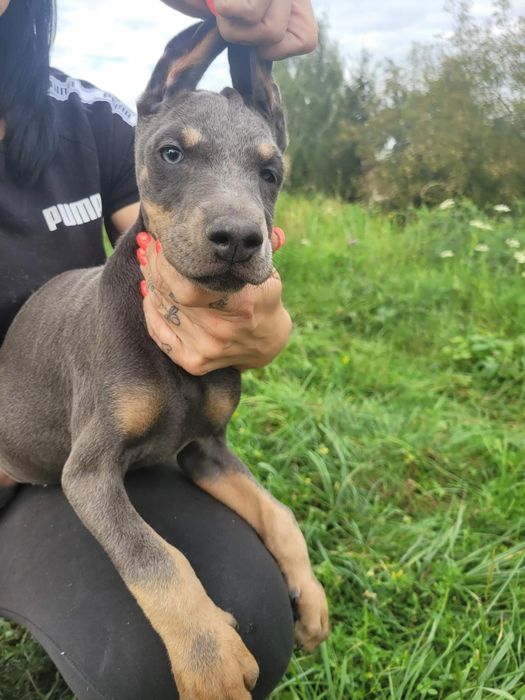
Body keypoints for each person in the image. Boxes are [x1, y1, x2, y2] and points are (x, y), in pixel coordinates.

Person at [0, 0, 317, 698]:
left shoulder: (89, 118)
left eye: (266, 176)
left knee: (246, 622)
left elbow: (202, 443)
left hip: (65, 462)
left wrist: (260, 322)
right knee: (170, 639)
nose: (238, 222)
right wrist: (176, 603)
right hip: (24, 448)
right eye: (175, 154)